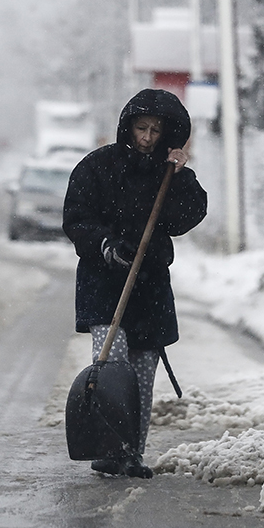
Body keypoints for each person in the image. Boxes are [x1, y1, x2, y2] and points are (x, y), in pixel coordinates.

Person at [63, 88, 208, 478]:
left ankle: (132, 454)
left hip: (150, 288)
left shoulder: (169, 174)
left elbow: (184, 218)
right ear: (127, 125)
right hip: (104, 284)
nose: (146, 137)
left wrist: (179, 177)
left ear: (168, 134)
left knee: (144, 373)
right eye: (141, 127)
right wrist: (105, 245)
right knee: (112, 363)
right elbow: (76, 219)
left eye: (155, 131)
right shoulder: (97, 167)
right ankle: (108, 446)